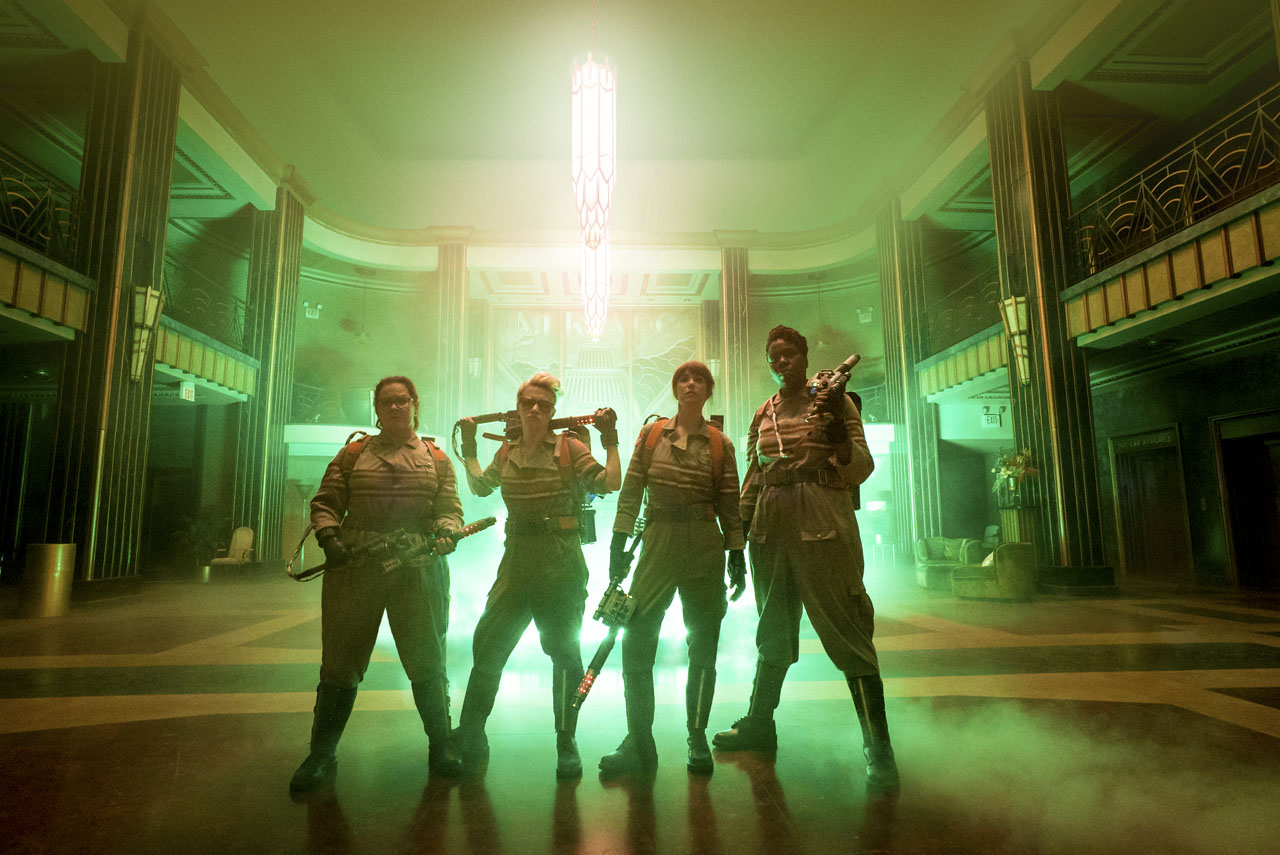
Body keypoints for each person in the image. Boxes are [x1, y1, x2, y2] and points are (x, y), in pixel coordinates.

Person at [712, 326, 900, 796]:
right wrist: (735, 542)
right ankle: (759, 724)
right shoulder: (764, 412)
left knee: (849, 630)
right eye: (773, 356)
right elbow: (754, 478)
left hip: (823, 525)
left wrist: (837, 437)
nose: (781, 363)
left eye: (789, 354)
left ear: (805, 356)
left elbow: (861, 467)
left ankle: (879, 748)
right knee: (772, 630)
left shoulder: (837, 402)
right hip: (770, 530)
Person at [291, 375, 465, 793]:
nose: (395, 407)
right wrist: (330, 538)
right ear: (377, 409)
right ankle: (321, 753)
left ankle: (441, 745)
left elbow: (449, 508)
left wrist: (446, 530)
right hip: (356, 568)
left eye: (402, 400)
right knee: (340, 664)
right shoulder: (353, 454)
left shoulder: (437, 458)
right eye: (387, 402)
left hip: (417, 567)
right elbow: (326, 502)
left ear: (415, 404)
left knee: (427, 660)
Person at [454, 372, 621, 778]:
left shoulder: (569, 447)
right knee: (488, 645)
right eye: (528, 403)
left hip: (559, 563)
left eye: (543, 405)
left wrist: (610, 439)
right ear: (518, 408)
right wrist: (470, 447)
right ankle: (472, 732)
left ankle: (566, 741)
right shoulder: (507, 451)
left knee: (565, 655)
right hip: (516, 562)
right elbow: (480, 487)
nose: (534, 410)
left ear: (552, 411)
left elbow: (610, 483)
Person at [599, 360, 745, 777]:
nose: (690, 384)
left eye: (699, 379)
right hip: (658, 542)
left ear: (708, 391)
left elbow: (730, 503)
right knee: (636, 639)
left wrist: (737, 554)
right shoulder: (651, 436)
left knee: (703, 643)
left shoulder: (720, 444)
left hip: (703, 545)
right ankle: (638, 741)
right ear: (675, 388)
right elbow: (631, 491)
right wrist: (617, 540)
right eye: (683, 378)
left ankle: (696, 735)